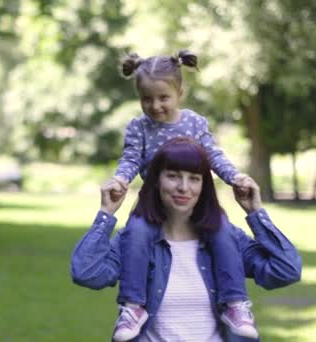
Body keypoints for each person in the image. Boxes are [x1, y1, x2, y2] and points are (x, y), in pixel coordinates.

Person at [72, 137, 302, 341]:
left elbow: (286, 270)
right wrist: (106, 214)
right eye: (173, 176)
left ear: (204, 186)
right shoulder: (133, 240)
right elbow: (86, 273)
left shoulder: (227, 240)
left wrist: (256, 213)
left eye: (194, 178)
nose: (183, 187)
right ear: (156, 180)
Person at [107, 50, 256, 340]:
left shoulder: (194, 123)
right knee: (136, 233)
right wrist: (121, 179)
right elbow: (130, 159)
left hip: (195, 204)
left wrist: (234, 176)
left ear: (180, 93)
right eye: (147, 99)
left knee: (223, 233)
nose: (155, 105)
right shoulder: (138, 127)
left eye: (163, 97)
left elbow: (213, 155)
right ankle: (134, 306)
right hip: (153, 204)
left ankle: (234, 303)